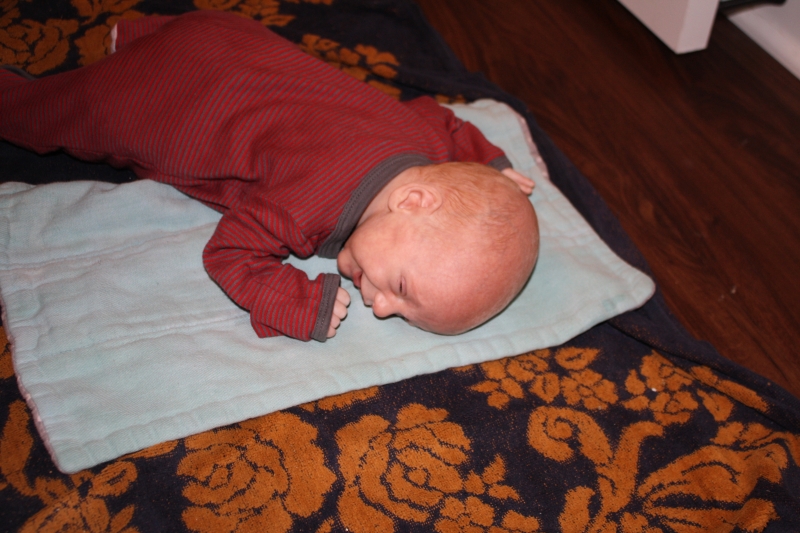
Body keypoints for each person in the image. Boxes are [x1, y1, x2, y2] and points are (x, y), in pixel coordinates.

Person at [0, 10, 539, 342]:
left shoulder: (425, 147)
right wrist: (297, 303)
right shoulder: (306, 206)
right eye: (400, 288)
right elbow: (229, 254)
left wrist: (491, 167)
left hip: (225, 36)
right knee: (52, 116)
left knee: (214, 43)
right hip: (163, 95)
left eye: (402, 313)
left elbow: (443, 116)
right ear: (415, 202)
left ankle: (136, 36)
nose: (380, 307)